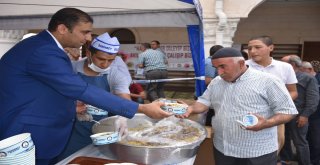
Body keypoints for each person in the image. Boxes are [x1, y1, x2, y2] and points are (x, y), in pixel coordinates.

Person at [0, 8, 171, 165]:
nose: (88, 38)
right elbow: (79, 89)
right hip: (28, 135)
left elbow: (44, 89)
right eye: (85, 32)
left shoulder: (44, 48)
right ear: (62, 29)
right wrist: (142, 108)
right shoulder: (44, 51)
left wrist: (70, 104)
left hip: (42, 132)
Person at [178, 47, 298, 165]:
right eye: (216, 68)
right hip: (223, 149)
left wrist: (266, 123)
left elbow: (288, 111)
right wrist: (191, 108)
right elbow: (204, 102)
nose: (219, 72)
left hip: (256, 152)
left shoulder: (268, 81)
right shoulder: (216, 82)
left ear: (241, 63)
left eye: (223, 67)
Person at [56, 32, 133, 160]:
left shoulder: (115, 73)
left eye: (110, 60)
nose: (105, 64)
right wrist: (71, 105)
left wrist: (123, 116)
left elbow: (125, 100)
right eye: (101, 59)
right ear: (89, 54)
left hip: (101, 128)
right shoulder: (72, 68)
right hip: (70, 129)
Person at [245, 36, 298, 158]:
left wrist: (278, 105)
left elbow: (293, 92)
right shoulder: (243, 67)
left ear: (271, 48)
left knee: (273, 149)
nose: (252, 51)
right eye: (249, 48)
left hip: (276, 118)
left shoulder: (285, 68)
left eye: (257, 47)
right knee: (246, 149)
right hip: (248, 115)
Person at [281, 55, 319, 165]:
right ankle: (286, 160)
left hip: (299, 115)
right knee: (284, 140)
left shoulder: (307, 78)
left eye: (283, 63)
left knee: (300, 142)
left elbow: (313, 99)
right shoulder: (282, 77)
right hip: (282, 114)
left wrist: (305, 115)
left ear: (292, 65)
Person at [301, 61, 320, 165]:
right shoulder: (304, 79)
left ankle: (314, 161)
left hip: (317, 116)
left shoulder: (317, 78)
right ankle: (307, 158)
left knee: (316, 140)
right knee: (306, 139)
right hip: (305, 114)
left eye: (302, 70)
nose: (300, 73)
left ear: (309, 70)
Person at [204, 45, 223, 126]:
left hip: (210, 92)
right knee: (210, 112)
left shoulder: (210, 61)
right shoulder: (210, 63)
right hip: (208, 92)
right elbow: (208, 80)